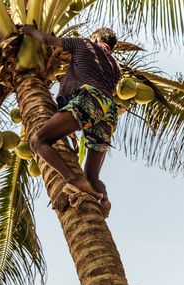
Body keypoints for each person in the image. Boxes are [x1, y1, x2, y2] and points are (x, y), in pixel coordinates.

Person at [19, 25, 121, 218]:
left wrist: (31, 31)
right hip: (109, 112)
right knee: (92, 176)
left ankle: (72, 179)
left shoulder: (82, 43)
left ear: (95, 38)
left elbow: (48, 40)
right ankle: (104, 201)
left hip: (88, 99)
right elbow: (90, 74)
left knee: (38, 141)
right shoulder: (115, 67)